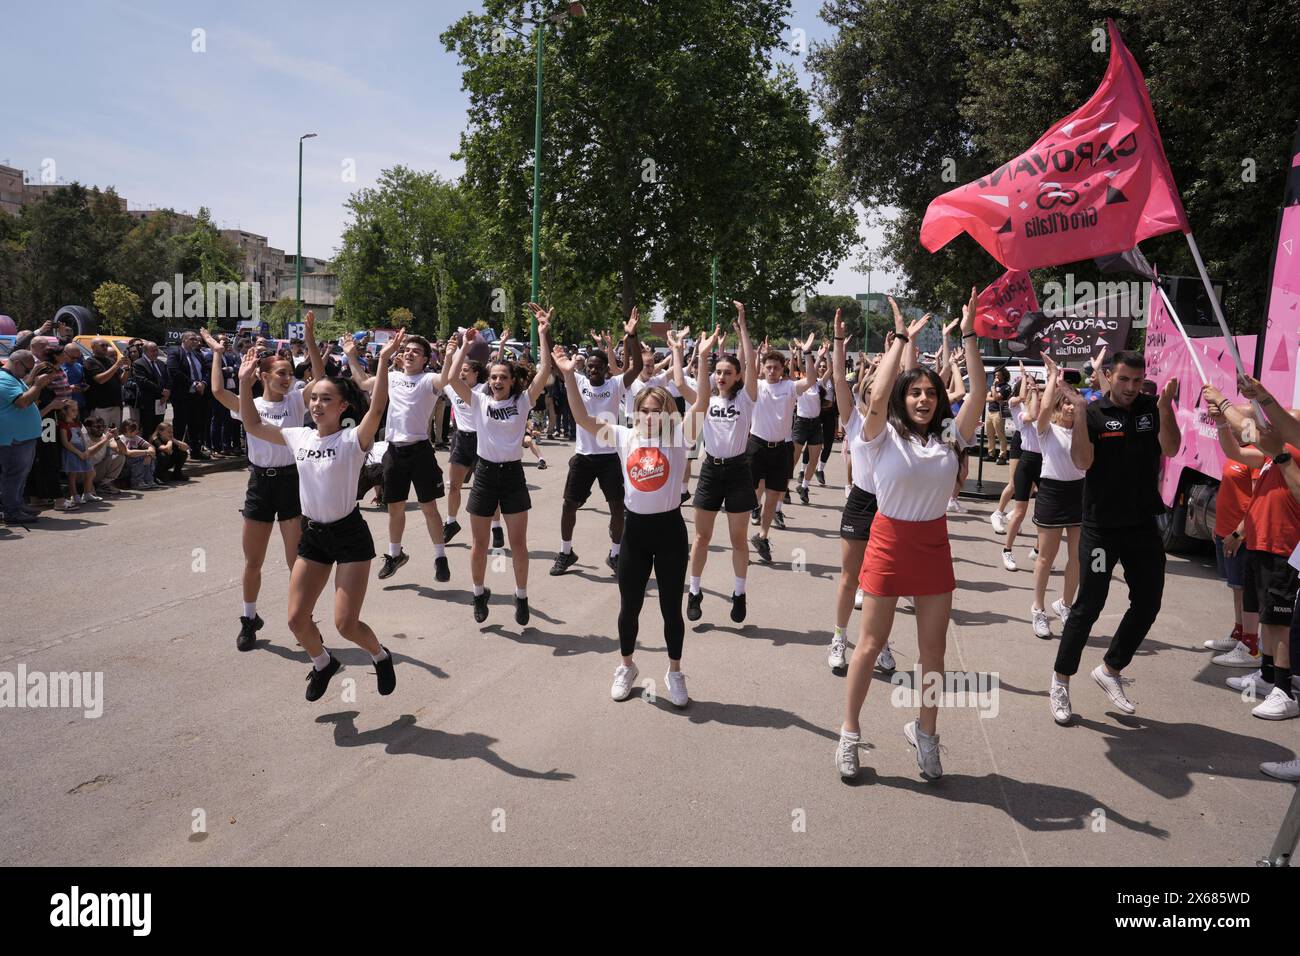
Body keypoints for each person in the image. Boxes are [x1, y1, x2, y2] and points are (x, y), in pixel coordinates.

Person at [836, 289, 986, 781]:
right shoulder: (881, 436)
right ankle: (850, 734)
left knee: (933, 653)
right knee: (870, 644)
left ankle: (926, 734)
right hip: (887, 540)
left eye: (930, 393)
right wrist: (900, 340)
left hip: (932, 544)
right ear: (903, 399)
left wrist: (968, 335)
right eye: (914, 393)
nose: (923, 399)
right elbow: (876, 396)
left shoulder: (947, 438)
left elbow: (979, 395)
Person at [237, 332, 404, 702]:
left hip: (349, 536)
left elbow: (377, 408)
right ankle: (323, 662)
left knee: (345, 623)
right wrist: (244, 382)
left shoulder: (353, 440)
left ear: (343, 406)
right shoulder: (299, 437)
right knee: (296, 620)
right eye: (313, 397)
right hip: (312, 536)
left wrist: (384, 360)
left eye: (326, 399)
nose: (316, 404)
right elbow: (252, 426)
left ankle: (379, 654)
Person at [557, 330, 703, 707]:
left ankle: (675, 672)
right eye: (645, 411)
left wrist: (693, 356)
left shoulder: (678, 437)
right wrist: (568, 375)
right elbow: (581, 418)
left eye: (658, 411)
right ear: (635, 412)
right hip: (635, 532)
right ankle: (626, 665)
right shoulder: (624, 436)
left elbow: (701, 404)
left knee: (671, 608)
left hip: (670, 530)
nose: (651, 416)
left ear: (667, 413)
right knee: (629, 607)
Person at [1048, 350, 1180, 725]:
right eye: (1124, 380)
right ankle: (1060, 681)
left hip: (1141, 527)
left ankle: (1110, 669)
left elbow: (1170, 448)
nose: (1130, 388)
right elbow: (1083, 462)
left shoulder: (1152, 408)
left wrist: (1166, 407)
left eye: (1137, 381)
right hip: (1102, 529)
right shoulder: (1092, 412)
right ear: (1109, 375)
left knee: (1149, 601)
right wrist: (1077, 414)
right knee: (1089, 604)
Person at [203, 328, 318, 651]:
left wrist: (309, 342)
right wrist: (216, 353)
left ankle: (303, 618)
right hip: (260, 484)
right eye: (281, 373)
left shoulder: (297, 400)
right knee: (253, 560)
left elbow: (320, 376)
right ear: (263, 375)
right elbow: (215, 391)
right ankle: (249, 619)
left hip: (291, 480)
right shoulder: (249, 405)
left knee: (296, 559)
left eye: (291, 374)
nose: (288, 378)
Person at [445, 309, 554, 625]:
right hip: (485, 474)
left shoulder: (523, 402)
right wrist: (465, 346)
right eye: (493, 377)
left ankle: (521, 598)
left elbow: (545, 368)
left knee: (518, 543)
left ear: (511, 381)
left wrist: (543, 332)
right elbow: (452, 378)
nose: (497, 381)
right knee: (479, 544)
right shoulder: (478, 400)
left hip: (513, 476)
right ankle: (479, 593)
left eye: (503, 377)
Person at [825, 312, 898, 674]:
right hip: (860, 502)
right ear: (864, 396)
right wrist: (838, 343)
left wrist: (901, 343)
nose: (875, 398)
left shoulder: (899, 427)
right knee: (850, 577)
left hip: (891, 508)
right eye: (870, 394)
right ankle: (839, 636)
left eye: (880, 395)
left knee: (881, 583)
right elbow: (839, 378)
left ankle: (880, 641)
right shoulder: (853, 420)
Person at [551, 310, 643, 576]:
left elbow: (635, 367)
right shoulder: (577, 380)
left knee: (617, 506)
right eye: (589, 366)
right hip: (583, 455)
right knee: (569, 504)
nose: (593, 369)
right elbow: (555, 365)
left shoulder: (615, 384)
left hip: (609, 457)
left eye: (598, 366)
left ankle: (615, 554)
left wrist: (632, 336)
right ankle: (565, 552)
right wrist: (545, 332)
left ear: (606, 368)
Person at [681, 302, 756, 624]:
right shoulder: (706, 400)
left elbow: (751, 361)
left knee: (739, 540)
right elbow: (691, 384)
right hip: (711, 470)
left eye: (728, 372)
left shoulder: (746, 398)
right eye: (719, 372)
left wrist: (742, 325)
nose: (722, 376)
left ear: (738, 376)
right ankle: (695, 591)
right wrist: (701, 355)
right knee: (702, 537)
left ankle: (739, 593)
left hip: (739, 470)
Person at [1028, 355, 1086, 641]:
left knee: (1076, 557)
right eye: (1064, 403)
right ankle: (1038, 609)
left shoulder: (1083, 432)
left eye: (1072, 404)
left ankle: (1065, 604)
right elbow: (1046, 406)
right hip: (1052, 493)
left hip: (1079, 494)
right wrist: (1052, 377)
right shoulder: (1046, 430)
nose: (1068, 408)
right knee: (1046, 558)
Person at [749, 335, 819, 564]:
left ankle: (763, 536)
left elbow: (811, 380)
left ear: (782, 369)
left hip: (780, 448)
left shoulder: (790, 387)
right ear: (763, 369)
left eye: (775, 368)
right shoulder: (756, 387)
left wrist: (807, 353)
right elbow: (745, 369)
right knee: (752, 492)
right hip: (757, 445)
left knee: (774, 495)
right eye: (768, 367)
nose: (771, 371)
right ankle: (742, 537)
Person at [996, 365, 1042, 571]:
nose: (1035, 390)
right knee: (1020, 511)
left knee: (1046, 512)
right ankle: (1007, 550)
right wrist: (1027, 382)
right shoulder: (1019, 410)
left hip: (1046, 463)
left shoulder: (1046, 410)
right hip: (1028, 460)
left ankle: (1039, 549)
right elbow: (1029, 410)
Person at [440, 352, 489, 544]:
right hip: (461, 439)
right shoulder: (453, 390)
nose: (461, 373)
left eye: (465, 370)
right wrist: (449, 356)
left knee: (485, 489)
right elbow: (445, 378)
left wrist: (501, 346)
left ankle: (496, 527)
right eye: (460, 370)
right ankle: (451, 523)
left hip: (481, 440)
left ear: (476, 373)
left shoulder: (484, 389)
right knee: (454, 486)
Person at [0, 350, 52, 524]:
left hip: (22, 437)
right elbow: (22, 402)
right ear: (17, 363)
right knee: (14, 474)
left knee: (21, 474)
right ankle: (12, 511)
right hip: (13, 438)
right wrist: (37, 385)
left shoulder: (13, 378)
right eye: (27, 369)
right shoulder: (3, 378)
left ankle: (17, 504)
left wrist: (35, 384)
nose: (28, 373)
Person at [791, 347, 832, 505]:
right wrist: (798, 355)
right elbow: (806, 372)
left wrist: (825, 354)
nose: (813, 371)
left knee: (814, 459)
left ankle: (804, 487)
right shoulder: (799, 386)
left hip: (815, 424)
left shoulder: (820, 384)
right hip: (801, 423)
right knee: (793, 459)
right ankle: (784, 487)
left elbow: (830, 369)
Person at [167, 332, 211, 458]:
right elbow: (174, 371)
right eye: (192, 339)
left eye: (196, 340)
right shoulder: (175, 352)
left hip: (197, 396)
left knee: (196, 425)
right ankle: (176, 454)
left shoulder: (198, 354)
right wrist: (193, 383)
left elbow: (206, 371)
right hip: (182, 396)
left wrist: (203, 383)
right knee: (180, 425)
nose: (195, 342)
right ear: (184, 339)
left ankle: (196, 451)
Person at [58, 402, 98, 509]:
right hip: (72, 452)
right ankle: (74, 496)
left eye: (77, 410)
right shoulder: (63, 425)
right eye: (73, 410)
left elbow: (83, 438)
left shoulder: (77, 423)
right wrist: (78, 453)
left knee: (90, 471)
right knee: (72, 475)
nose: (76, 412)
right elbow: (65, 442)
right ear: (65, 411)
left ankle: (87, 493)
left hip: (82, 450)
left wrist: (85, 451)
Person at [82, 339, 128, 429]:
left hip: (115, 405)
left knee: (114, 435)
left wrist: (127, 369)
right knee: (101, 435)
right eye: (102, 345)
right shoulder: (90, 362)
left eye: (106, 345)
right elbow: (100, 380)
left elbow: (122, 381)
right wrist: (116, 365)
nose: (105, 347)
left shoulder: (110, 361)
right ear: (93, 347)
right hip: (100, 407)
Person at [132, 341, 171, 440]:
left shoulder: (161, 363)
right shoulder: (138, 363)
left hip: (161, 401)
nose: (155, 353)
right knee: (147, 428)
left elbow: (168, 379)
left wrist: (166, 394)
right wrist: (161, 391)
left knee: (159, 427)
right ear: (145, 351)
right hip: (148, 402)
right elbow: (143, 381)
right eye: (152, 351)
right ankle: (148, 451)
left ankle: (158, 450)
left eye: (156, 350)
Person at [118, 420, 161, 488]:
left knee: (150, 459)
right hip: (125, 461)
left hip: (135, 457)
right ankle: (137, 482)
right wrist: (147, 452)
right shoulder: (121, 438)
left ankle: (148, 480)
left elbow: (150, 446)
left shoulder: (136, 438)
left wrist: (149, 454)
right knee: (139, 460)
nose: (137, 431)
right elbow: (129, 453)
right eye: (134, 429)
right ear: (126, 429)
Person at [984, 366, 1012, 464]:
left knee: (1000, 434)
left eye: (998, 375)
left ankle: (1003, 455)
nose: (996, 376)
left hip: (998, 413)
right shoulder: (993, 386)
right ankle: (991, 453)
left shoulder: (1006, 387)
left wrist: (994, 391)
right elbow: (987, 398)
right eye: (995, 375)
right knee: (989, 434)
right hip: (990, 411)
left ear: (1003, 375)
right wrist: (995, 397)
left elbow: (996, 396)